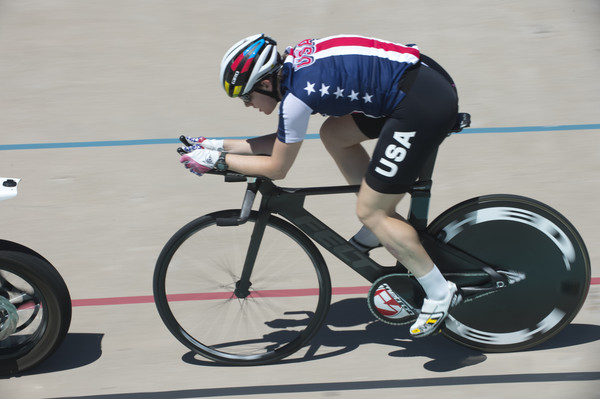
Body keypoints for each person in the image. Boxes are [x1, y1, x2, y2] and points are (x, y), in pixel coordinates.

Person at [179, 34, 462, 338]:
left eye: (246, 97)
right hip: (418, 85)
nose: (247, 105)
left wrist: (218, 161)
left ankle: (438, 291)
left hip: (420, 104)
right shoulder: (293, 70)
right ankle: (380, 223)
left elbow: (277, 167)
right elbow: (279, 141)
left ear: (264, 83)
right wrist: (214, 145)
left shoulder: (296, 98)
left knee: (371, 211)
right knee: (335, 134)